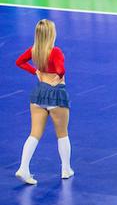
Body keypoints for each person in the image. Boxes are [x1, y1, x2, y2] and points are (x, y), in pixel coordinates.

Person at [14, 20, 73, 184]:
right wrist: (59, 76)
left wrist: (35, 72)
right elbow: (61, 69)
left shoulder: (34, 51)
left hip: (38, 93)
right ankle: (66, 168)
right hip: (56, 95)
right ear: (51, 34)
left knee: (34, 133)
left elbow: (19, 62)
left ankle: (23, 167)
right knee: (62, 133)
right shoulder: (55, 51)